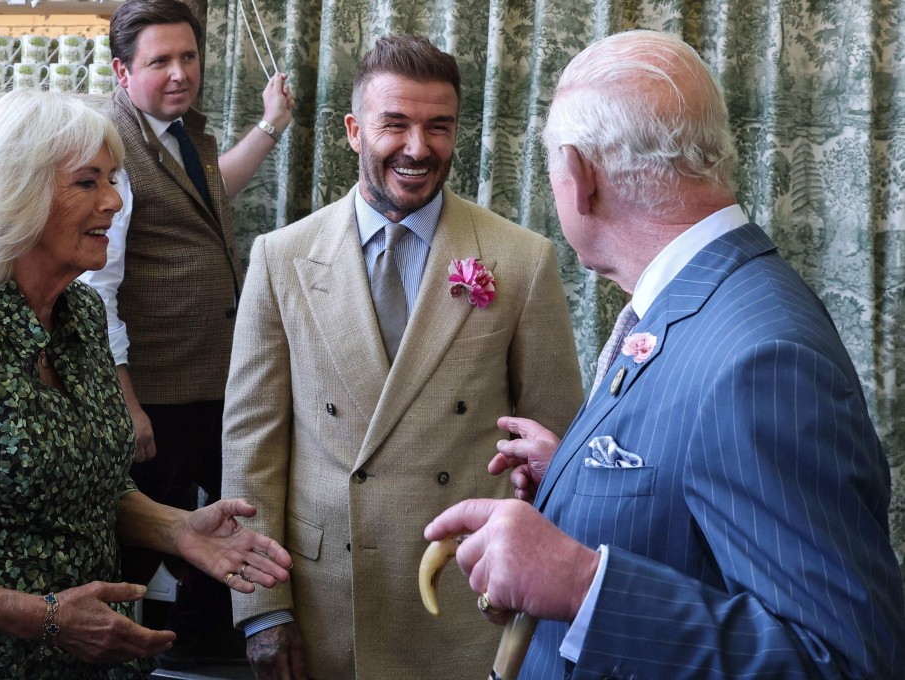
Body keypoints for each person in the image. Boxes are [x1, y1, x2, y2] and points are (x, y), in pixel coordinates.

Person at [425, 29, 905, 679]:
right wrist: (587, 480)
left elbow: (845, 664)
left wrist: (580, 582)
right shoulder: (705, 294)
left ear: (579, 176)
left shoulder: (760, 361)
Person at [0, 89, 292, 679]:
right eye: (87, 183)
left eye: (115, 180)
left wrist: (176, 527)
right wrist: (46, 617)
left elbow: (84, 483)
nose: (114, 202)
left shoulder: (80, 313)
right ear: (14, 194)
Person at [221, 33, 584, 680]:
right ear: (355, 131)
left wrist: (545, 600)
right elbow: (253, 446)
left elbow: (558, 446)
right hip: (325, 600)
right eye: (396, 124)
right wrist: (261, 610)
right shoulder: (281, 258)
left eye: (438, 127)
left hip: (466, 598)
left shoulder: (523, 261)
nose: (419, 148)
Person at [78, 0, 294, 666]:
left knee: (234, 515)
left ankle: (196, 646)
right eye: (160, 62)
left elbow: (207, 194)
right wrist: (126, 400)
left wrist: (270, 125)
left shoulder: (181, 133)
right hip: (157, 394)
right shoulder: (111, 145)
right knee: (144, 540)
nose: (180, 74)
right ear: (121, 71)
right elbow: (98, 289)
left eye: (189, 57)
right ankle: (100, 652)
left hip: (214, 379)